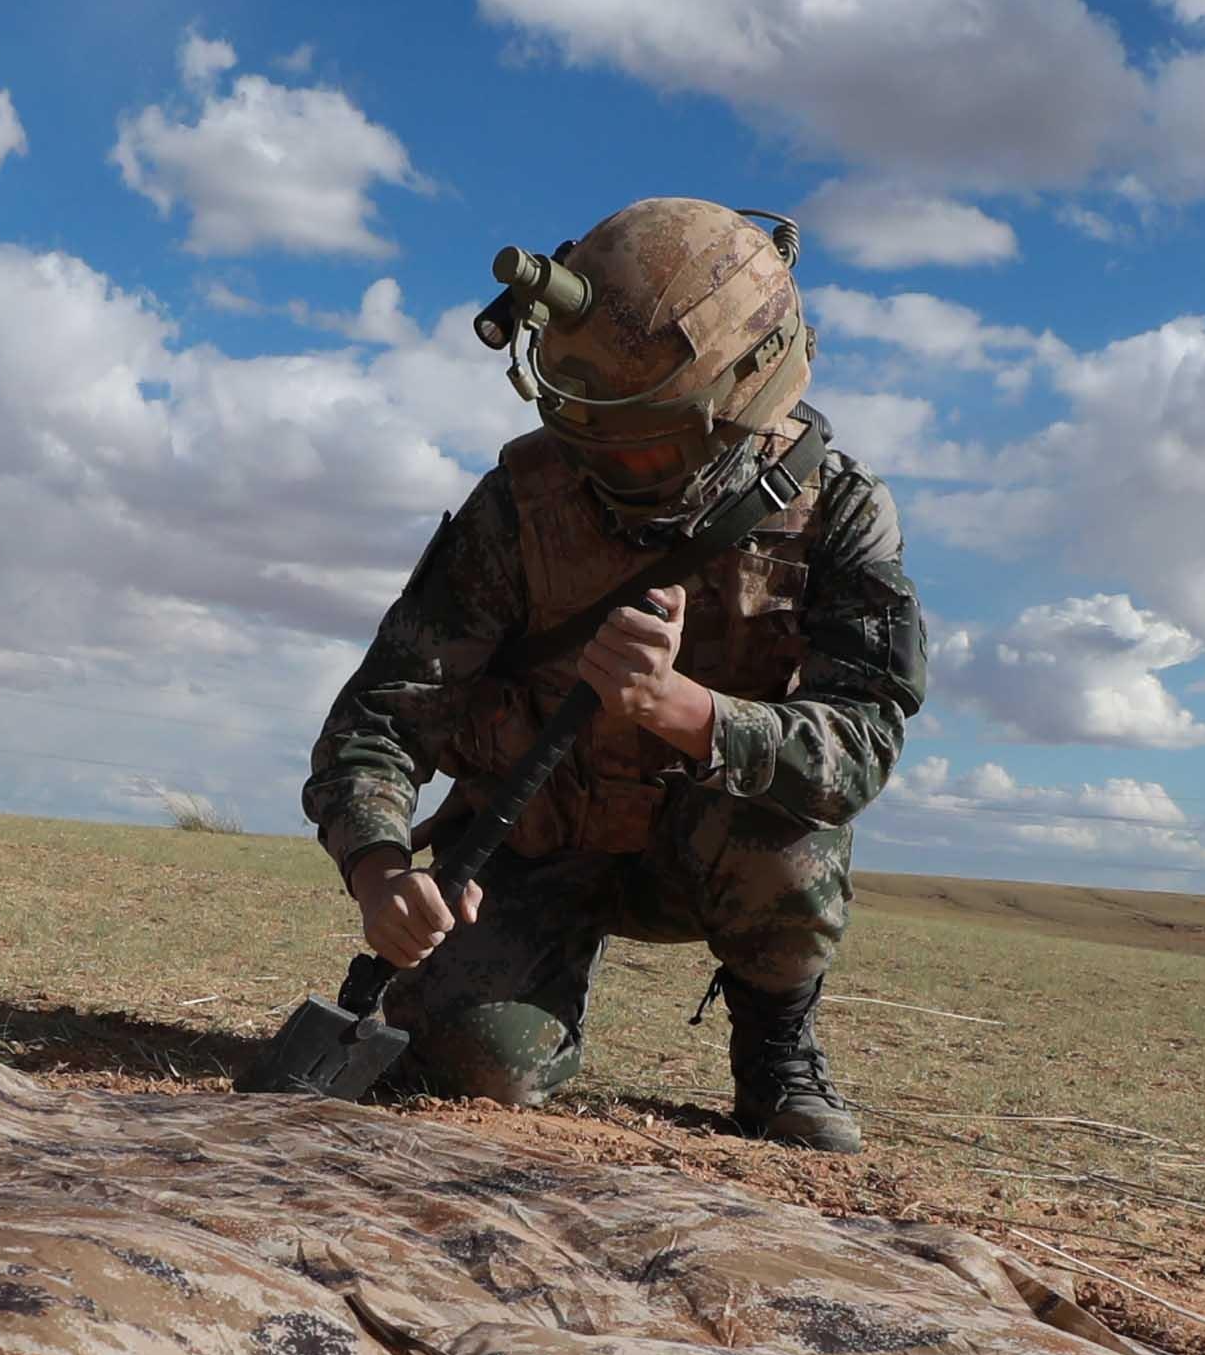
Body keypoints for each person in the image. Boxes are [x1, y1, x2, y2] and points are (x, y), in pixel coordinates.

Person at [299, 199, 927, 1150]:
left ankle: (775, 1052)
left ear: (744, 398)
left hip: (706, 853)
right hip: (532, 841)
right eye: (590, 435)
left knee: (790, 827)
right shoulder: (520, 504)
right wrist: (380, 870)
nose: (614, 467)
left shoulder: (838, 509)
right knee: (480, 1063)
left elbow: (861, 745)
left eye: (648, 443)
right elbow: (380, 718)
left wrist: (686, 710)